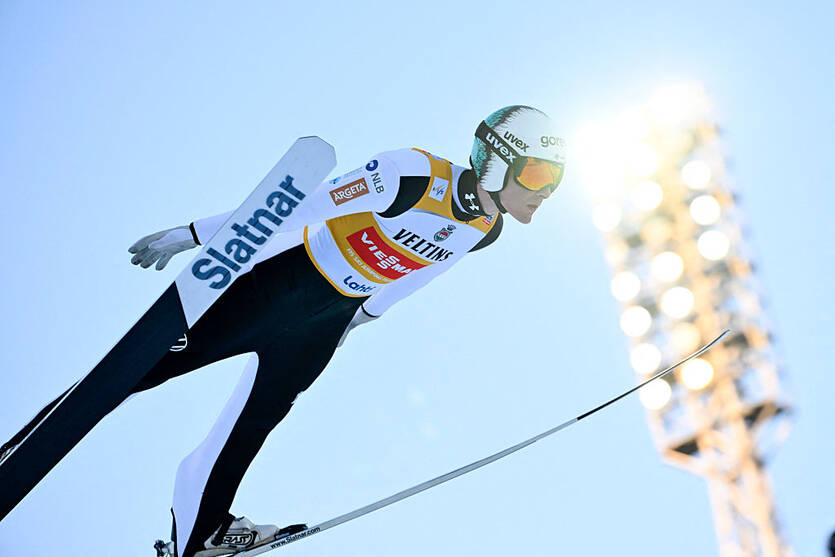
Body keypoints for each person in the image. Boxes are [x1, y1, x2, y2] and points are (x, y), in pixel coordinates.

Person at [1, 105, 566, 557]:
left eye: (555, 181)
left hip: (328, 322)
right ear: (496, 160)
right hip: (281, 287)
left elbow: (426, 271)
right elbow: (298, 208)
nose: (545, 192)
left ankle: (201, 531)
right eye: (540, 174)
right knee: (133, 373)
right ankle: (18, 449)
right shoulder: (410, 175)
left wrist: (363, 319)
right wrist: (195, 233)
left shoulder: (488, 228)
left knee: (252, 425)